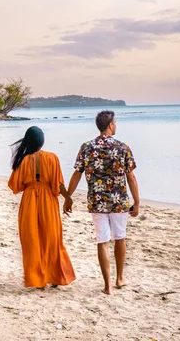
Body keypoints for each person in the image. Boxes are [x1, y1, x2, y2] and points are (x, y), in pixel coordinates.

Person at [64, 111, 140, 295]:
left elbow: (77, 174)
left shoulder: (87, 147)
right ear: (111, 125)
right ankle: (120, 278)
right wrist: (137, 201)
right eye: (115, 122)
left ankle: (107, 286)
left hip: (96, 201)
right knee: (120, 237)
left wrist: (68, 196)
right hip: (119, 201)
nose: (116, 125)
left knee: (102, 241)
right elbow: (131, 177)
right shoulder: (122, 147)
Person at [8, 126, 75, 289]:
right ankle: (54, 277)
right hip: (49, 202)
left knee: (32, 239)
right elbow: (59, 184)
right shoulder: (52, 158)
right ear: (42, 141)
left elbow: (15, 186)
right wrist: (68, 198)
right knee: (52, 238)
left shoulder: (22, 161)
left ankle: (38, 280)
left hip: (30, 201)